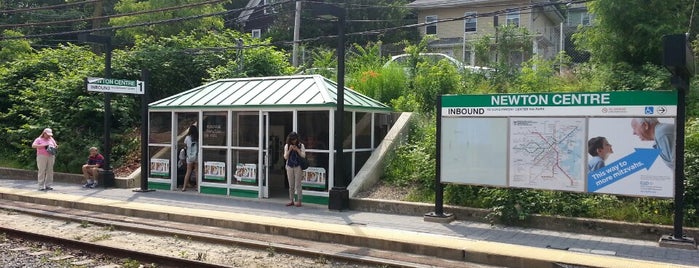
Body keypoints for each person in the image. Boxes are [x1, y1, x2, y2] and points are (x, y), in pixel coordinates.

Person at [283, 131, 306, 207]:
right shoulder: (287, 146)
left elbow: (303, 156)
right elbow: (285, 157)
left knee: (298, 184)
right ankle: (291, 200)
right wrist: (289, 150)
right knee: (291, 184)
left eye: (295, 139)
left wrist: (297, 150)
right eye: (292, 140)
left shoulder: (301, 145)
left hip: (298, 166)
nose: (294, 141)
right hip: (289, 166)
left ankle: (299, 201)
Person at [181, 123, 198, 191]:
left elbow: (185, 146)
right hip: (196, 156)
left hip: (189, 157)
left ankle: (184, 187)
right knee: (197, 171)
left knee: (188, 171)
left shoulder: (187, 138)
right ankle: (197, 187)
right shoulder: (197, 138)